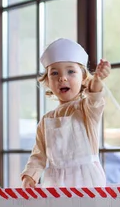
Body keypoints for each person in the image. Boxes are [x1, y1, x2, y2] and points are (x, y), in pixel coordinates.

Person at [21, 38, 111, 187]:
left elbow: (95, 97)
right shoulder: (45, 120)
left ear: (83, 78)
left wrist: (98, 80)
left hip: (87, 182)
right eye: (54, 73)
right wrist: (29, 177)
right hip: (55, 183)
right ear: (48, 81)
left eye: (71, 72)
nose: (62, 78)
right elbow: (38, 155)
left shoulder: (86, 109)